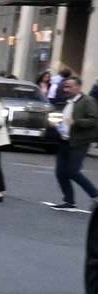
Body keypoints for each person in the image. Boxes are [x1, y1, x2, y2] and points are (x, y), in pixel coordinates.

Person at [51, 74, 98, 210]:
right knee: (60, 172)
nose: (66, 89)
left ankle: (95, 194)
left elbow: (94, 120)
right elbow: (65, 120)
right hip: (64, 140)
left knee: (73, 171)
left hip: (79, 141)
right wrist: (58, 125)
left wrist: (76, 122)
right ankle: (69, 200)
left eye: (69, 87)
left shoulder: (87, 101)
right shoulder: (68, 102)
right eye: (65, 86)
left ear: (78, 87)